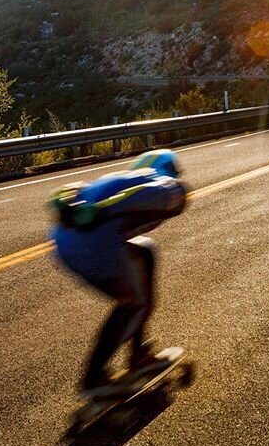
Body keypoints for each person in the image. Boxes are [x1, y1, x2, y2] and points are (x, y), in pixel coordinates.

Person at [50, 149, 187, 398]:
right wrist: (104, 209)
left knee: (145, 252)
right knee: (132, 304)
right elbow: (150, 194)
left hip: (63, 243)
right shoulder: (162, 182)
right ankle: (94, 378)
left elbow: (63, 193)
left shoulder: (120, 177)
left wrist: (78, 207)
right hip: (96, 247)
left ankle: (139, 355)